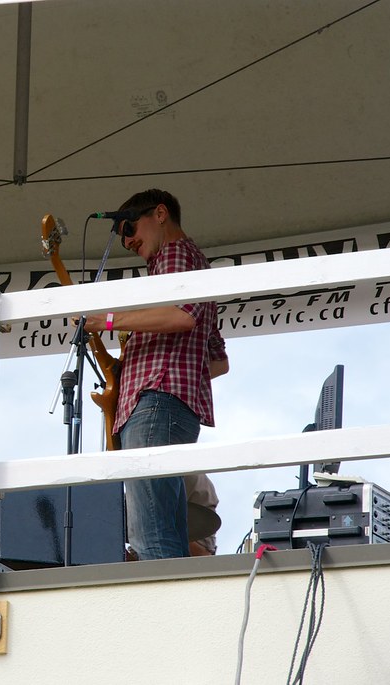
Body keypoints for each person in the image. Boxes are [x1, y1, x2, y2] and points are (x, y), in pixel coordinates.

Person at [81, 189, 229, 560]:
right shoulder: (191, 265)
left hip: (155, 406)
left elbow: (182, 315)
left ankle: (164, 597)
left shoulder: (175, 253)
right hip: (170, 408)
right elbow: (218, 360)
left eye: (129, 228)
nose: (127, 241)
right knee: (162, 527)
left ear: (159, 214)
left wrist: (109, 320)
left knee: (150, 534)